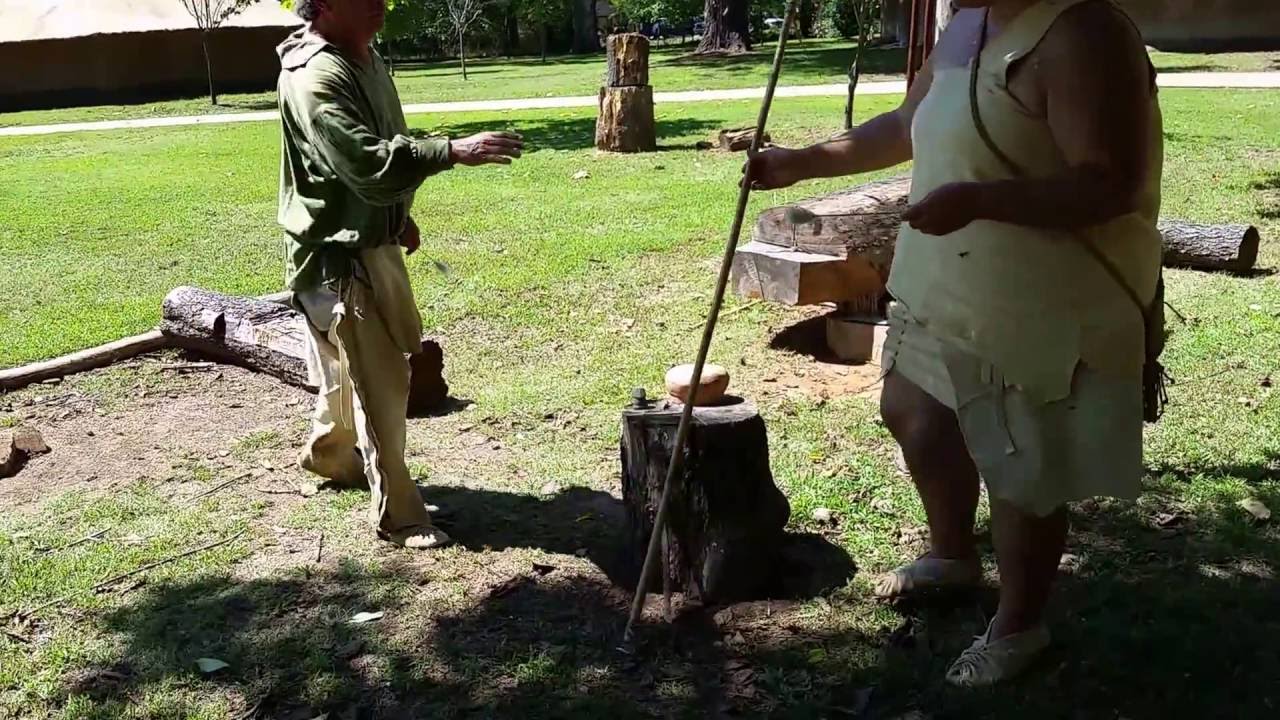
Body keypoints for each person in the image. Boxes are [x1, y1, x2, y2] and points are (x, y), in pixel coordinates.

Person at [746, 0, 1162, 685]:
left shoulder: (1082, 30)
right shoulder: (967, 24)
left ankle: (1019, 625)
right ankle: (952, 554)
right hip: (948, 278)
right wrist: (799, 163)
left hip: (1041, 295)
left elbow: (1108, 181)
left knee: (1020, 463)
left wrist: (978, 201)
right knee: (912, 408)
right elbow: (909, 124)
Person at [277, 0, 523, 549]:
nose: (379, 6)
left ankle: (331, 458)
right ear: (323, 5)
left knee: (347, 368)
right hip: (337, 258)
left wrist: (397, 217)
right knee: (380, 383)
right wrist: (452, 150)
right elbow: (366, 163)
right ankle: (402, 516)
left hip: (364, 241)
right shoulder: (318, 74)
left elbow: (372, 157)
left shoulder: (363, 55)